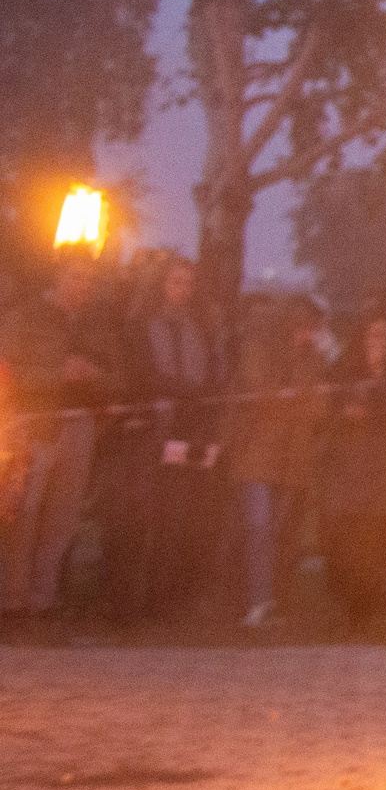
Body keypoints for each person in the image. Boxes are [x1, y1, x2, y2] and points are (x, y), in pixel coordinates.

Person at [0, 251, 114, 616]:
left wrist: (96, 376)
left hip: (81, 424)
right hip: (36, 425)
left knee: (63, 515)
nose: (84, 286)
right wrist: (57, 374)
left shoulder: (97, 323)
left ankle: (42, 600)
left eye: (90, 280)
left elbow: (121, 373)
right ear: (58, 277)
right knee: (26, 511)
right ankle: (12, 599)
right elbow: (9, 372)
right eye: (76, 277)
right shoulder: (26, 318)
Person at [315, 305, 386, 633]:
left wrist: (377, 409)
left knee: (377, 540)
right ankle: (344, 608)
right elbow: (322, 415)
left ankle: (372, 610)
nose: (378, 342)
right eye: (373, 335)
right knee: (344, 541)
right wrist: (344, 416)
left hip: (383, 468)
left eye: (385, 337)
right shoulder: (341, 372)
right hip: (345, 468)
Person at [225, 295, 329, 628]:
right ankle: (252, 600)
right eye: (304, 328)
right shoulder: (261, 347)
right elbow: (259, 393)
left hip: (290, 457)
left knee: (280, 533)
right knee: (257, 528)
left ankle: (269, 600)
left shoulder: (311, 358)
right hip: (256, 453)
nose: (308, 335)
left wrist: (296, 398)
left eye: (313, 329)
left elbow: (316, 406)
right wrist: (293, 397)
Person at [134, 257, 227, 617]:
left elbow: (208, 379)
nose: (181, 290)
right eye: (175, 282)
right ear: (162, 284)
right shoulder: (145, 326)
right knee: (150, 515)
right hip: (154, 429)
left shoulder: (198, 330)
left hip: (189, 429)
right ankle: (144, 594)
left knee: (181, 513)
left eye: (187, 283)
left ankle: (172, 594)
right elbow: (143, 375)